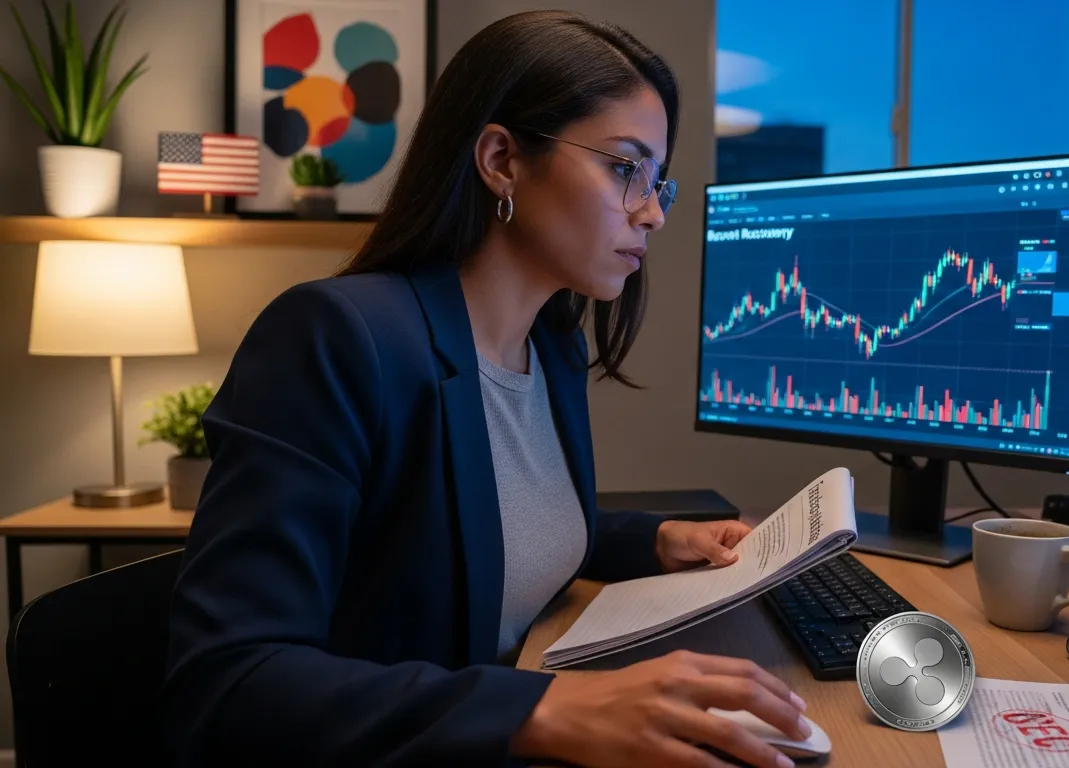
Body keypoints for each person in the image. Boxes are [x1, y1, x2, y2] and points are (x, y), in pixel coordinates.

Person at [160, 10, 811, 768]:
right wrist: (543, 708)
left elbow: (474, 528)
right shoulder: (335, 338)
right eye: (624, 167)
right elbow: (227, 683)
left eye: (657, 179)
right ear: (501, 158)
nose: (654, 211)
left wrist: (653, 538)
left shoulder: (552, 345)